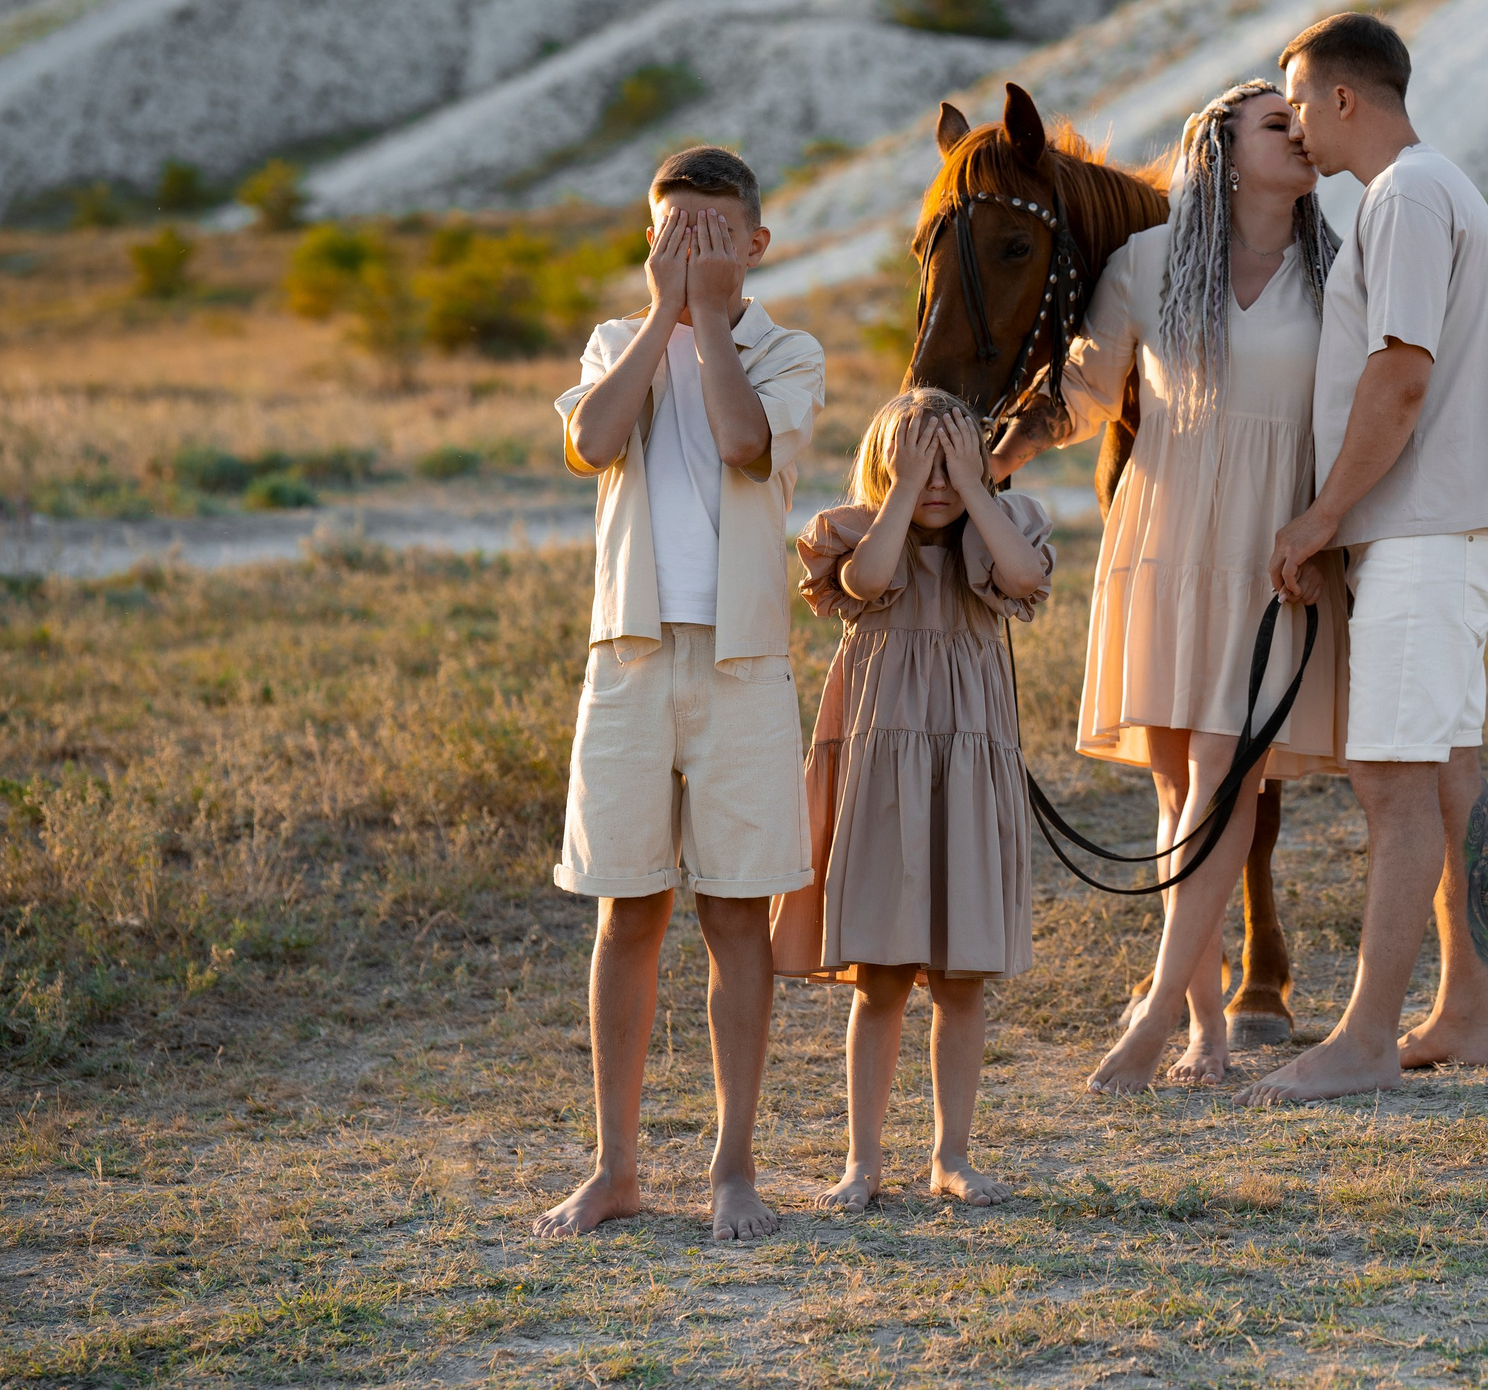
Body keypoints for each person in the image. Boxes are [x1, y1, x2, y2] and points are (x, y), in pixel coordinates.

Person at [990, 79, 1350, 1092]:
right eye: (1279, 125)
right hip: (1165, 533)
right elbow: (1080, 400)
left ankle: (1150, 1018)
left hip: (1272, 548)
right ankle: (1207, 1030)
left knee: (1222, 777)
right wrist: (977, 458)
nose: (1304, 136)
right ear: (1224, 148)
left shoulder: (1340, 271)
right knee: (1174, 783)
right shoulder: (1145, 265)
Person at [538, 145, 827, 1238]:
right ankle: (616, 1168)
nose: (694, 253)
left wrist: (710, 319)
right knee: (628, 910)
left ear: (754, 245)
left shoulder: (785, 351)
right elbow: (591, 440)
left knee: (735, 916)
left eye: (715, 235)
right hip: (631, 657)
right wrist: (666, 315)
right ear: (648, 241)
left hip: (744, 664)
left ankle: (731, 1168)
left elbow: (747, 443)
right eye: (675, 235)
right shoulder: (619, 341)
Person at [1244, 12, 1488, 1106]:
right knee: (1445, 768)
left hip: (1421, 524)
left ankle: (1362, 1040)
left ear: (1344, 99)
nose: (1298, 124)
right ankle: (1464, 1012)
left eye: (1300, 100)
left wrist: (1320, 518)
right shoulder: (1434, 188)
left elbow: (1399, 376)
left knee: (1390, 779)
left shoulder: (1403, 197)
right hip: (1448, 522)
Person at [772, 388, 1055, 1209]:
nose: (935, 479)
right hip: (887, 771)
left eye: (951, 460)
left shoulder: (1001, 529)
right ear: (884, 464)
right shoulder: (860, 532)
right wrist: (902, 491)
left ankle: (951, 1155)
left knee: (961, 976)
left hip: (964, 770)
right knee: (884, 976)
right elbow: (868, 579)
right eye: (917, 462)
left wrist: (975, 486)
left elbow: (1025, 574)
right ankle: (863, 1160)